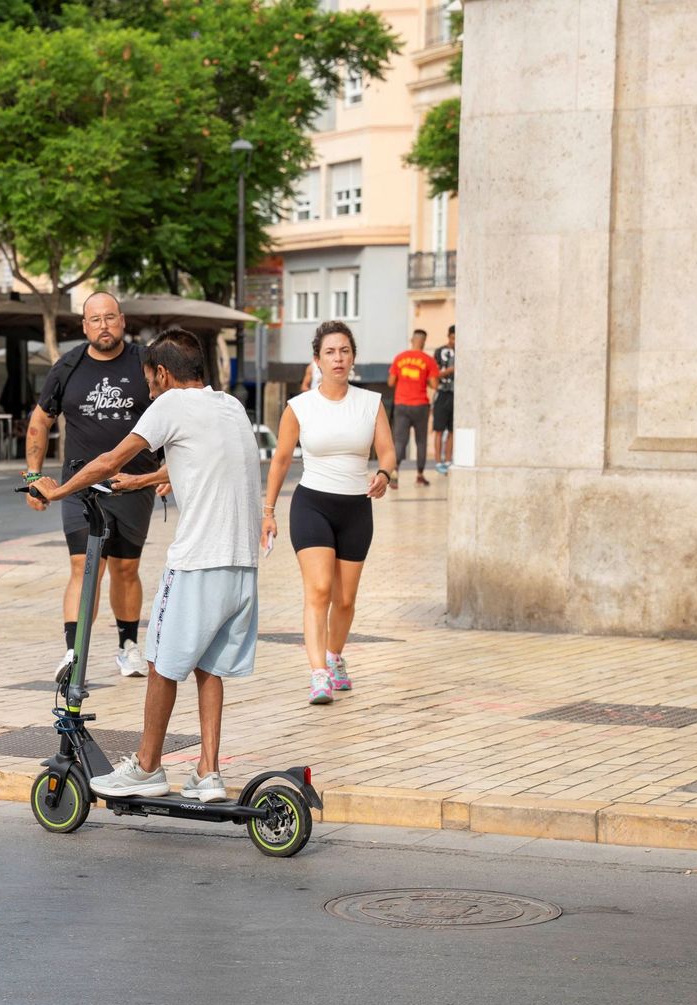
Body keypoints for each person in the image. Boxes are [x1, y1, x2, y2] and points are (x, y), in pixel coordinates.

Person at [31, 328, 261, 801]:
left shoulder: (170, 405)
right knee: (207, 666)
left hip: (197, 561)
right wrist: (142, 482)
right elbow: (201, 459)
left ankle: (148, 767)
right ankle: (208, 772)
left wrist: (57, 490)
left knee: (159, 660)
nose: (148, 389)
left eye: (149, 380)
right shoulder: (230, 406)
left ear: (161, 372)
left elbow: (111, 456)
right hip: (242, 566)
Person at [22, 291, 159, 683]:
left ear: (123, 321)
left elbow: (173, 414)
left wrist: (165, 468)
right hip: (80, 485)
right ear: (84, 326)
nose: (104, 326)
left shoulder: (145, 362)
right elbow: (39, 421)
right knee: (85, 565)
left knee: (126, 568)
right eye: (95, 319)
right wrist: (34, 477)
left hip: (133, 482)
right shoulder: (67, 367)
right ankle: (73, 651)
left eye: (110, 318)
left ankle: (128, 646)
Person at [263, 322, 397, 705]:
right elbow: (281, 460)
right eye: (330, 352)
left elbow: (387, 450)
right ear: (317, 360)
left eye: (344, 351)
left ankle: (336, 657)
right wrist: (268, 511)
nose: (338, 358)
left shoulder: (370, 403)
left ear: (352, 357)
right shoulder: (299, 406)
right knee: (319, 590)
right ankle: (318, 673)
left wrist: (384, 473)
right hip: (312, 505)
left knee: (345, 599)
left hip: (356, 506)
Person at [387, 330, 439, 486]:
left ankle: (394, 472)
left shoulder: (400, 358)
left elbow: (390, 382)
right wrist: (425, 381)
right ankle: (420, 475)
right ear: (423, 341)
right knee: (421, 441)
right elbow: (435, 385)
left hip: (401, 404)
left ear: (412, 340)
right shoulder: (428, 360)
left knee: (400, 441)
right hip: (420, 405)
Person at [432, 325, 456, 475]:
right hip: (442, 393)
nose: (455, 342)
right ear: (448, 336)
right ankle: (438, 462)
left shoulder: (464, 351)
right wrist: (450, 370)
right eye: (453, 338)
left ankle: (448, 460)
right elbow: (434, 375)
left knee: (453, 430)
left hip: (457, 395)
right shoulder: (439, 352)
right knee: (439, 430)